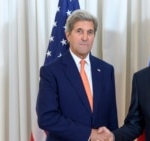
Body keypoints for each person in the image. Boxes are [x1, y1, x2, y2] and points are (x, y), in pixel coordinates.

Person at [36, 9, 118, 141]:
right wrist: (89, 134)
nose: (85, 37)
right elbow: (47, 118)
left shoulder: (106, 70)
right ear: (68, 35)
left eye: (90, 32)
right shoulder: (51, 71)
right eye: (79, 31)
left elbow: (111, 117)